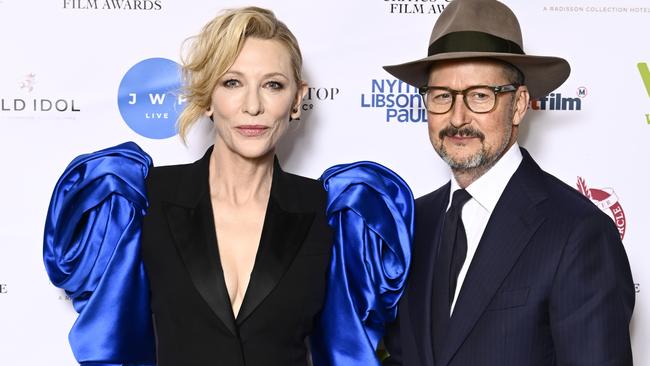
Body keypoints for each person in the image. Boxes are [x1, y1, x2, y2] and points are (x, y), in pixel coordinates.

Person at [43, 6, 414, 366]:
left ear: (297, 99)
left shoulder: (335, 214)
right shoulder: (142, 201)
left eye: (272, 85)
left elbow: (346, 351)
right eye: (232, 83)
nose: (252, 106)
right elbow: (116, 343)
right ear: (207, 97)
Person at [381, 0, 635, 365]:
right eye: (442, 96)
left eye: (480, 96)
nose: (457, 117)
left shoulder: (578, 232)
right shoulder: (411, 222)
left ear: (517, 105)